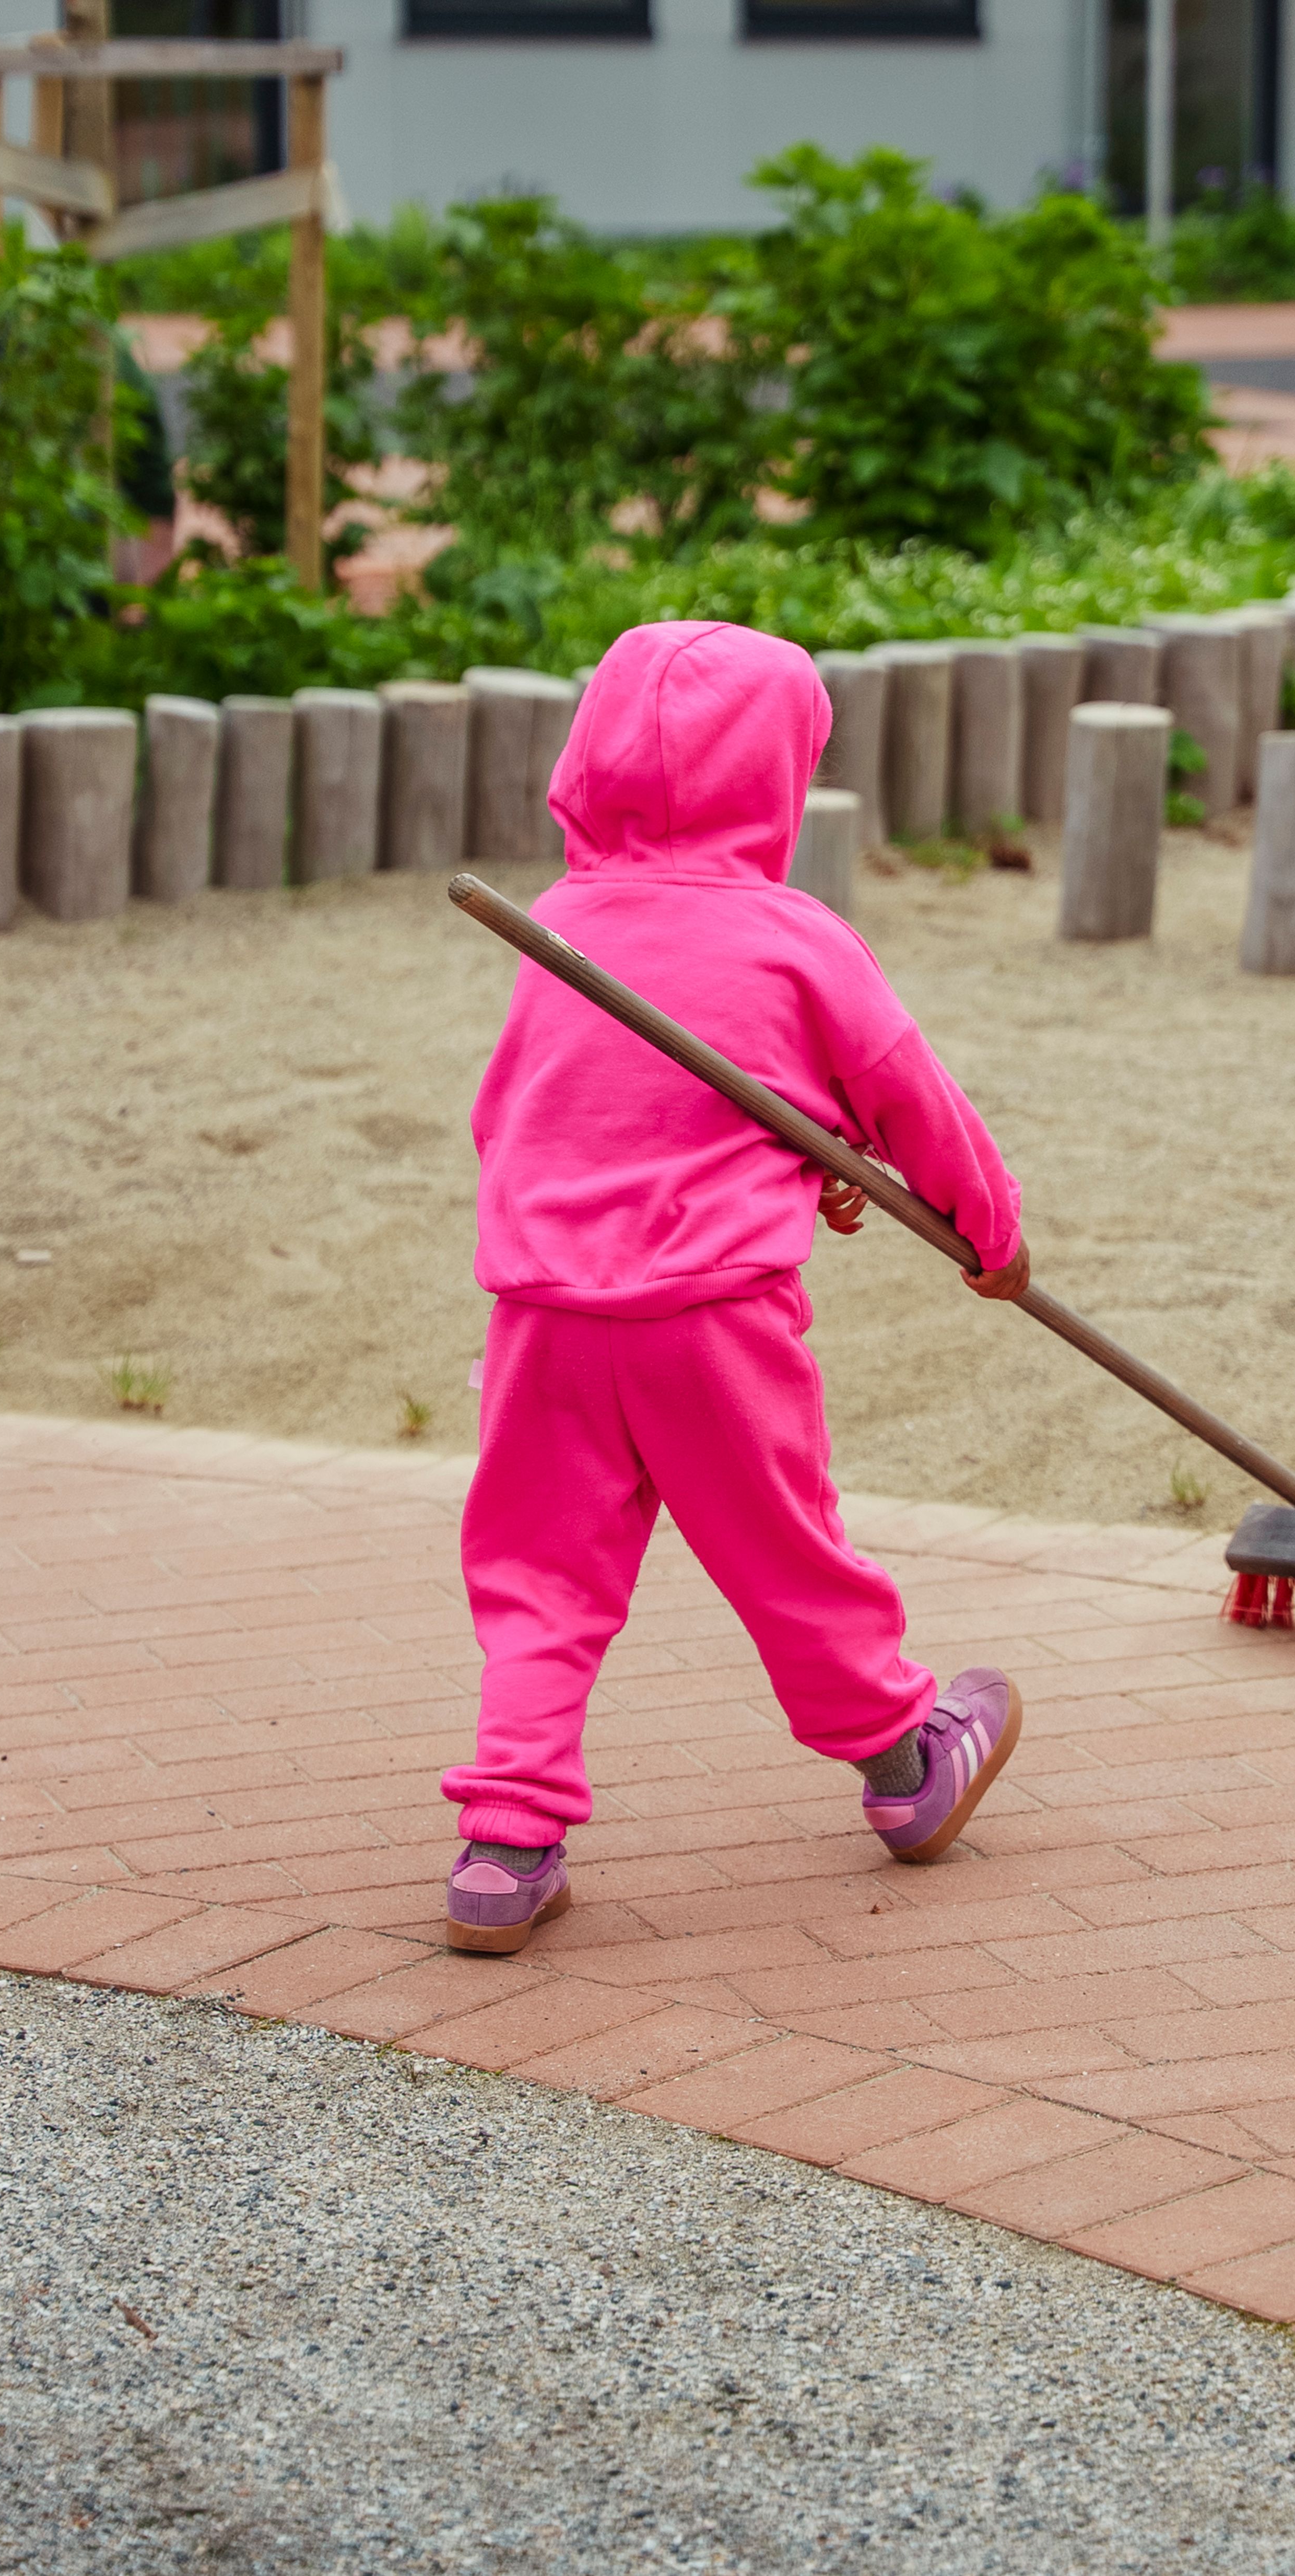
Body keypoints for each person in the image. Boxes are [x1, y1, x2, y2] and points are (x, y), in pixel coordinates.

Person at [443, 620, 1029, 1955]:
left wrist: (791, 1152)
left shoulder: (563, 927)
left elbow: (518, 1120)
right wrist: (991, 1235)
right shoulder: (796, 937)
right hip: (710, 1319)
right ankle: (900, 1759)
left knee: (540, 1573)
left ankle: (506, 1840)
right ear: (778, 773)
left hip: (543, 1312)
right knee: (784, 1551)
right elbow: (912, 1100)